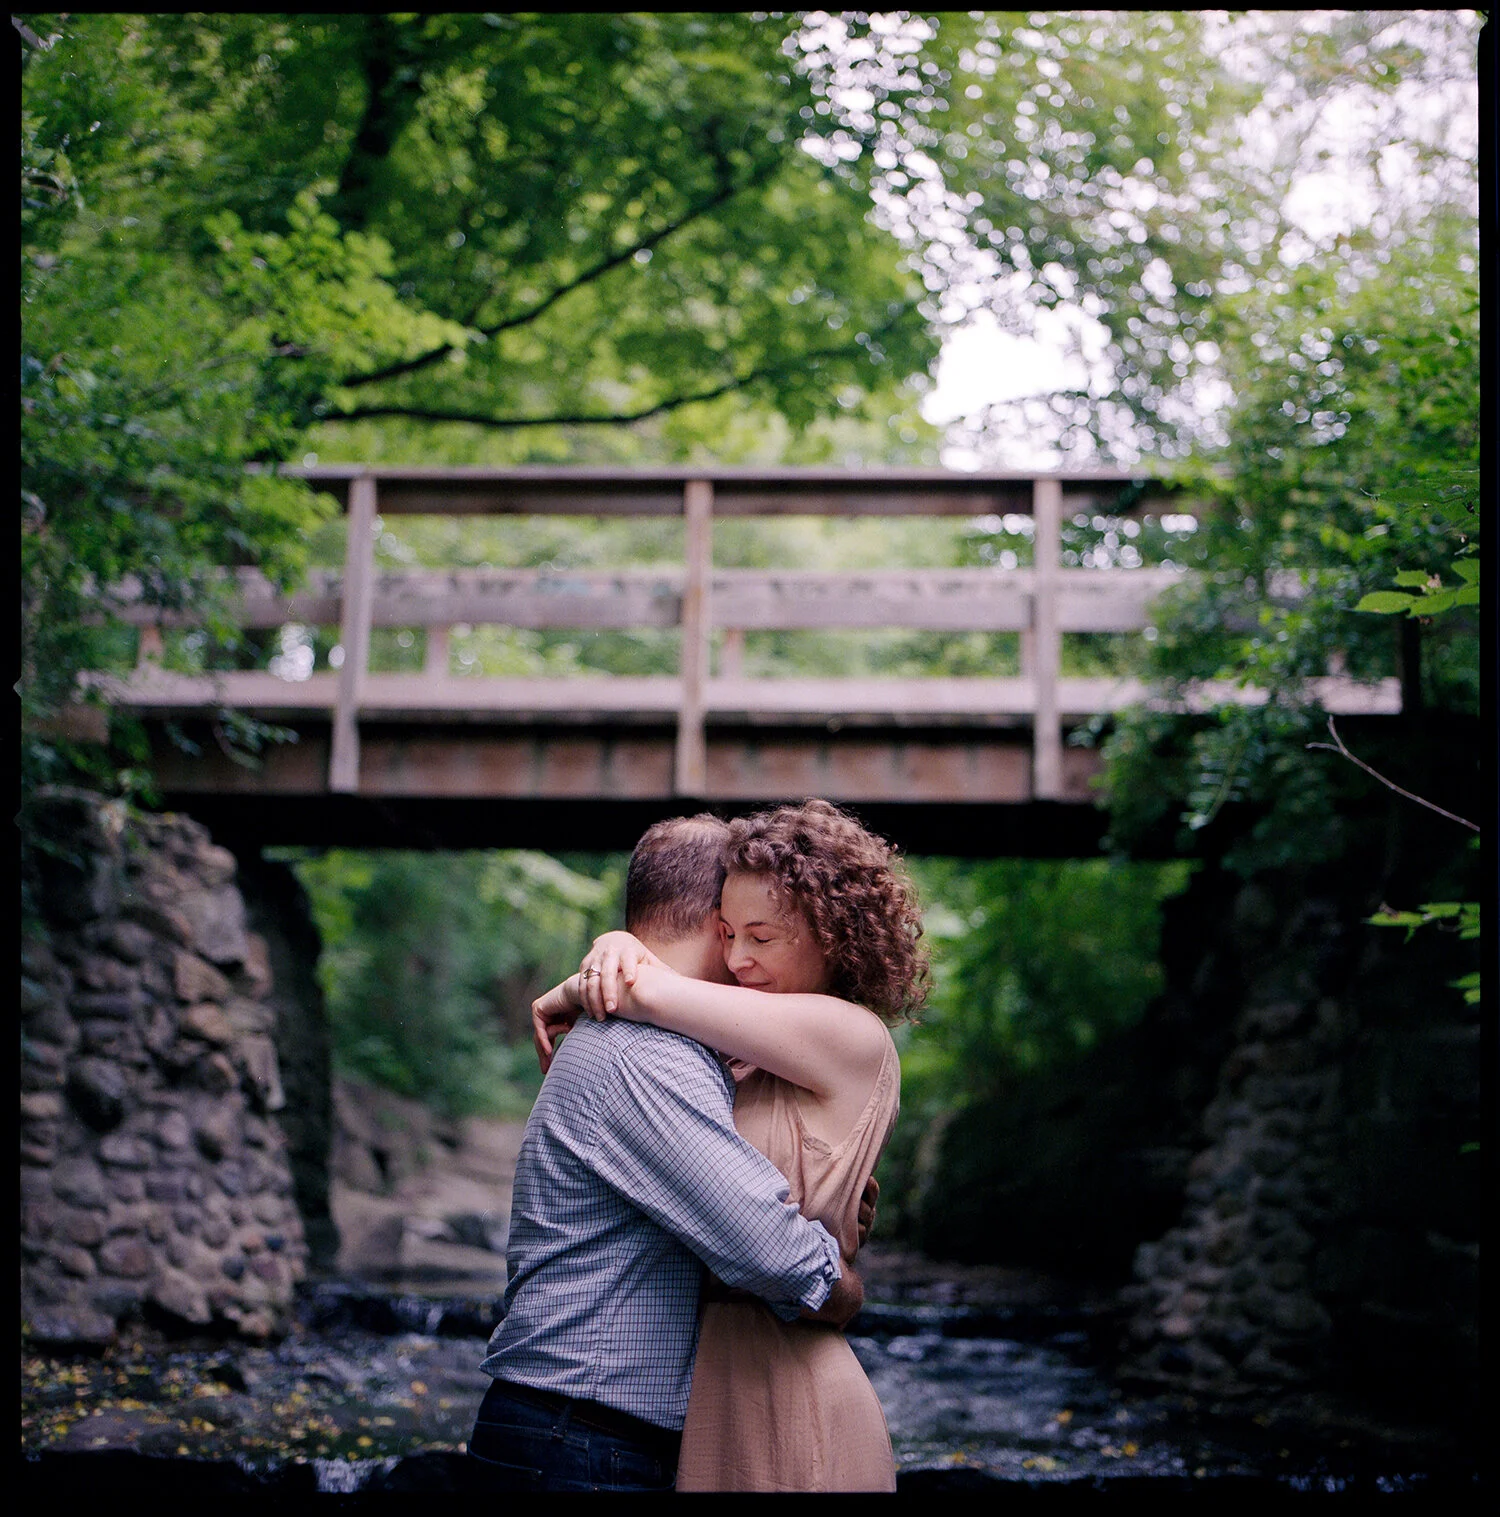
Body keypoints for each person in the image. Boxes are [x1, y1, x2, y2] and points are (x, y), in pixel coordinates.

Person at [467, 813, 869, 1493]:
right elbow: (767, 1248)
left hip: (571, 1435)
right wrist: (843, 1287)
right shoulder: (650, 1058)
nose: (748, 959)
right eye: (745, 929)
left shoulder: (652, 1039)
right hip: (582, 1442)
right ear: (721, 921)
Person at [551, 797, 927, 1491]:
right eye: (727, 933)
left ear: (833, 935)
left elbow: (649, 993)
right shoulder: (735, 1056)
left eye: (764, 935)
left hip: (791, 1382)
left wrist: (602, 965)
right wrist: (615, 953)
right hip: (710, 1387)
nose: (737, 958)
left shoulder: (850, 1034)